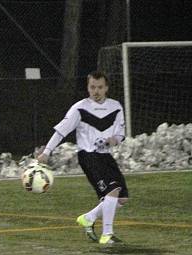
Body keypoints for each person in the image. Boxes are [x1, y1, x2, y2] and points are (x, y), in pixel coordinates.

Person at [37, 71, 128, 245]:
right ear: (87, 87)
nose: (96, 91)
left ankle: (89, 217)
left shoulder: (116, 107)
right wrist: (46, 152)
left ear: (106, 88)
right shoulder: (80, 108)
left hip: (105, 156)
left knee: (122, 198)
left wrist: (113, 140)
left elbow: (120, 135)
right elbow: (61, 131)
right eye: (92, 87)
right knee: (112, 190)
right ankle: (107, 234)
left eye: (100, 87)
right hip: (88, 157)